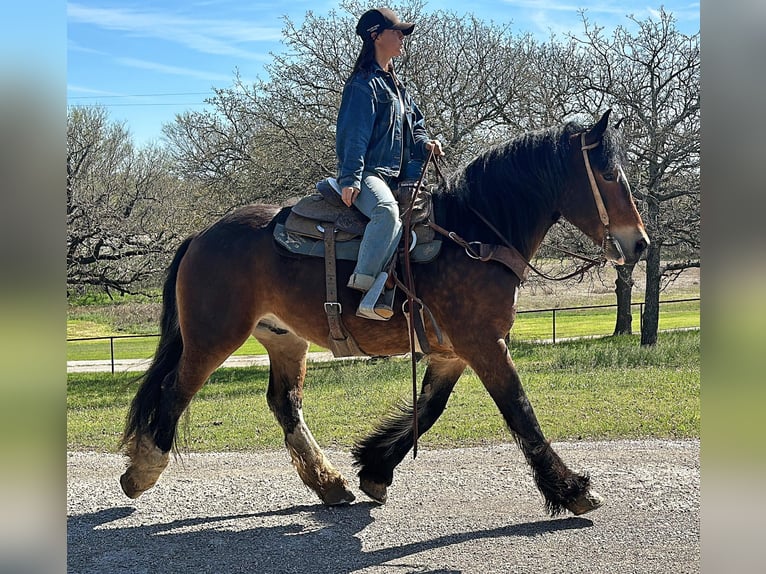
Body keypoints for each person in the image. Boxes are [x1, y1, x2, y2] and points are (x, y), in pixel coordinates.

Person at [336, 7, 444, 320]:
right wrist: (350, 179)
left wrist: (425, 142)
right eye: (396, 31)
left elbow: (417, 124)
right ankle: (366, 290)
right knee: (385, 212)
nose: (401, 37)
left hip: (399, 176)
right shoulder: (362, 85)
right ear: (376, 36)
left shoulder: (398, 88)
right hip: (370, 174)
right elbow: (353, 136)